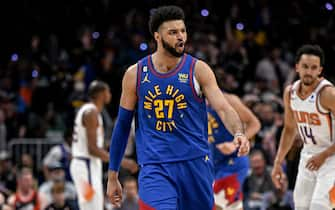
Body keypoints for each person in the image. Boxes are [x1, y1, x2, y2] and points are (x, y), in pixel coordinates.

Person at [107, 5, 249, 210]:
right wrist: (113, 174)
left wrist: (238, 132)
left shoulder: (198, 69)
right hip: (155, 167)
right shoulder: (135, 74)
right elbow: (122, 125)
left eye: (182, 31)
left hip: (196, 164)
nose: (180, 36)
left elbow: (224, 108)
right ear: (157, 36)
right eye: (173, 32)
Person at [271, 44, 335, 210]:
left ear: (320, 70)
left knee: (319, 206)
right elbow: (290, 129)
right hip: (308, 156)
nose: (309, 71)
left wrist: (325, 155)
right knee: (301, 206)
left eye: (314, 68)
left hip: (332, 157)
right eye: (305, 66)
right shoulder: (290, 92)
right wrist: (278, 162)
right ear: (297, 67)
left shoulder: (327, 94)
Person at [207, 93, 261, 210]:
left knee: (219, 204)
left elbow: (255, 124)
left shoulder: (229, 100)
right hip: (213, 163)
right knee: (232, 206)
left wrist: (234, 144)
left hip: (233, 160)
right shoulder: (192, 102)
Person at [70, 80, 111, 210]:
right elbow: (92, 149)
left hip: (86, 165)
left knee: (91, 206)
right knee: (91, 206)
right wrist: (121, 161)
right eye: (108, 91)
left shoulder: (92, 112)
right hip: (85, 165)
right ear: (101, 94)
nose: (110, 94)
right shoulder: (91, 112)